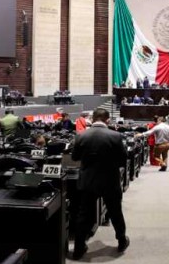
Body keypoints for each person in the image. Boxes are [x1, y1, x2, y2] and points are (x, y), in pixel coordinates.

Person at [71, 109, 129, 259]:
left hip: (88, 181)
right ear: (107, 120)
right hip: (110, 180)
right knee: (115, 212)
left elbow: (75, 157)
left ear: (93, 119)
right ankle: (121, 241)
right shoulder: (115, 136)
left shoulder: (81, 135)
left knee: (84, 214)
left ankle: (78, 248)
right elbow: (123, 159)